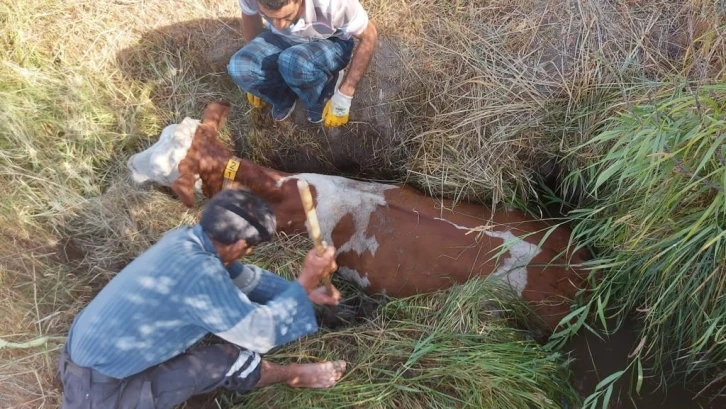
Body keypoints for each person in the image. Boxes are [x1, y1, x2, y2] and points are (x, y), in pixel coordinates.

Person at [58, 189, 346, 409]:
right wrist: (307, 276)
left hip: (83, 358)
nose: (248, 254)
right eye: (250, 248)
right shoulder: (201, 275)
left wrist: (302, 292)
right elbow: (260, 335)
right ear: (240, 244)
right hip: (99, 393)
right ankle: (296, 375)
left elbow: (243, 279)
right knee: (228, 358)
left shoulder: (187, 239)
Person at [227, 0, 378, 126]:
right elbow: (250, 18)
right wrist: (256, 77)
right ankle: (285, 97)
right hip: (281, 40)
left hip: (330, 41)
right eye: (269, 17)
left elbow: (369, 36)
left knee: (294, 63)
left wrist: (345, 95)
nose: (280, 26)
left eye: (286, 16)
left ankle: (323, 90)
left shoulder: (335, 3)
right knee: (240, 67)